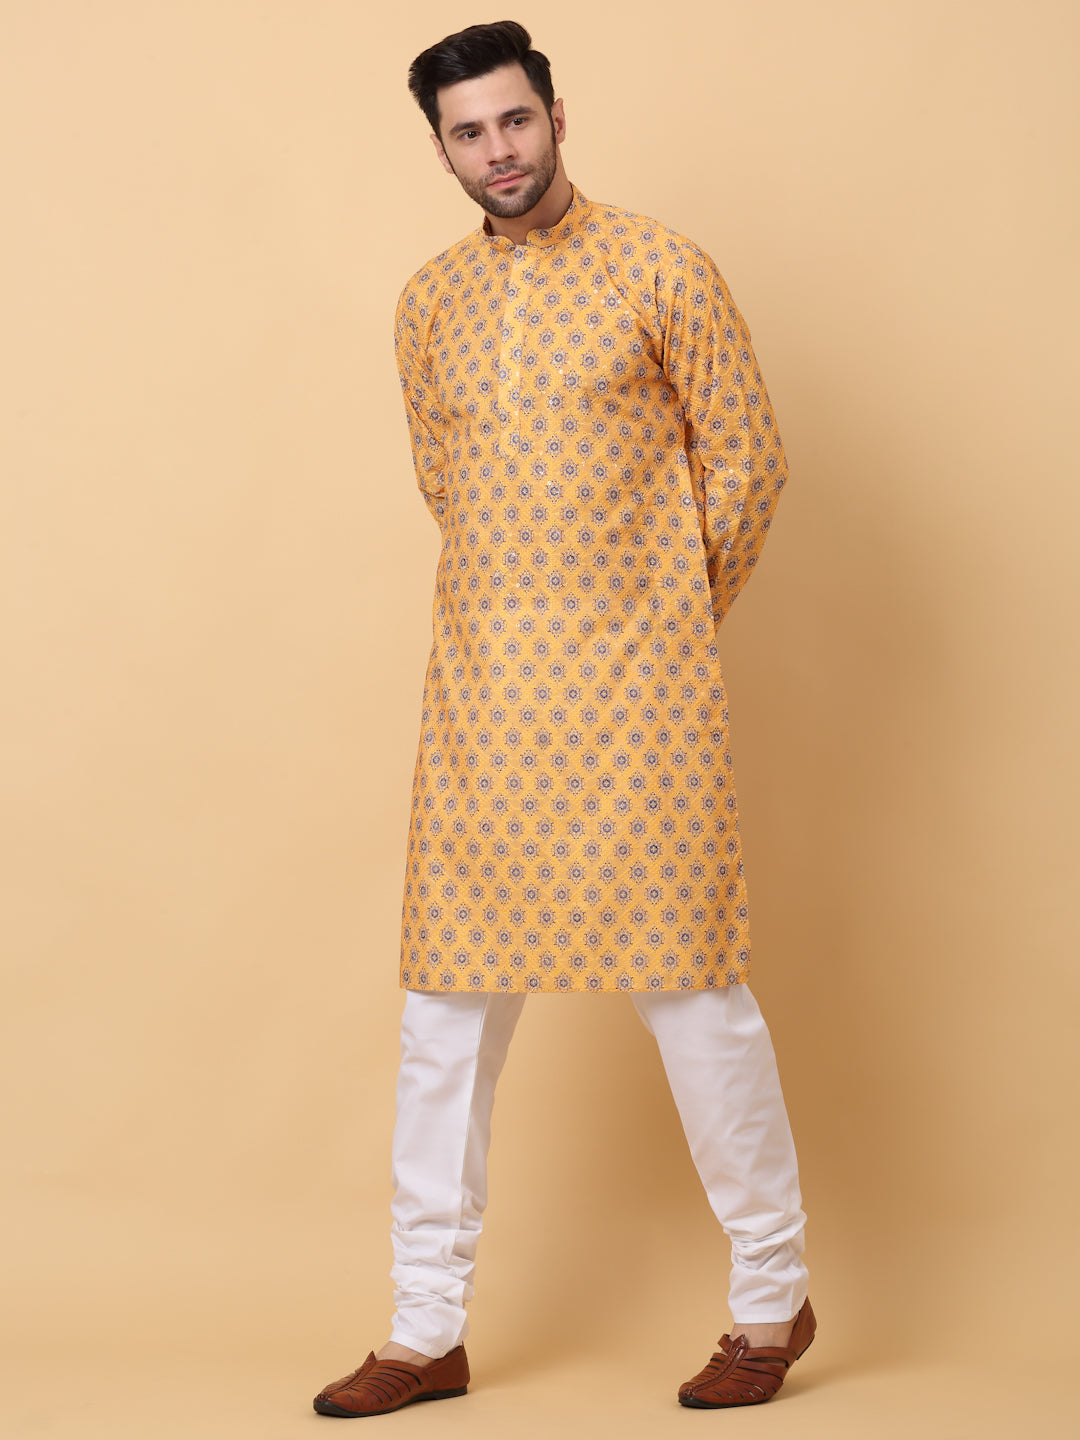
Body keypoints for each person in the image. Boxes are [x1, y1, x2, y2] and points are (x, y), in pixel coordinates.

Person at [313, 20, 814, 1419]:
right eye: (469, 132)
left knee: (696, 1002)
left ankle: (770, 1298)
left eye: (516, 119)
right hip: (483, 702)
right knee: (443, 1022)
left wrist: (661, 626)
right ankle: (424, 1331)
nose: (500, 150)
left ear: (556, 115)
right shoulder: (429, 303)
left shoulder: (663, 269)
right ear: (441, 148)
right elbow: (447, 484)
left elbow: (749, 463)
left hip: (643, 701)